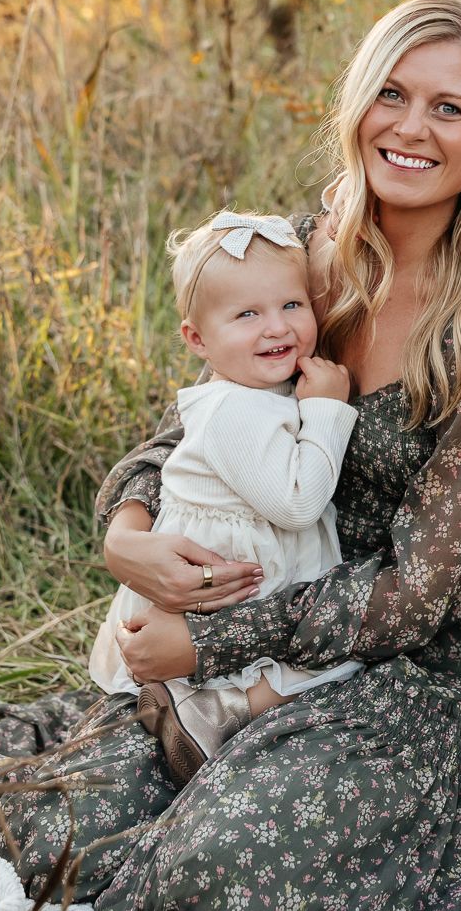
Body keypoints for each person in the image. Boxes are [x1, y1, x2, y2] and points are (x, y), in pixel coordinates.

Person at [0, 0, 461, 911]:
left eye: (448, 109)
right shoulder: (294, 250)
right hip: (252, 631)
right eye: (391, 94)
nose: (410, 128)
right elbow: (187, 422)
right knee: (68, 821)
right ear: (356, 103)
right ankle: (199, 755)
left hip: (414, 671)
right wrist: (125, 530)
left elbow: (421, 594)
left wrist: (204, 638)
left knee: (231, 867)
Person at [88, 208, 359, 785]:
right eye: (247, 315)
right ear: (196, 339)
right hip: (223, 579)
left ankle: (212, 707)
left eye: (291, 305)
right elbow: (296, 504)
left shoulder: (253, 385)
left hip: (255, 569)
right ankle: (211, 710)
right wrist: (328, 410)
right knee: (325, 672)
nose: (277, 328)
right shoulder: (232, 406)